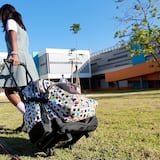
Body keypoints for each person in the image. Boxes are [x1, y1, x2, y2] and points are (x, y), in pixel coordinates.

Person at [0, 4, 39, 131]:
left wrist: (14, 54)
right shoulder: (22, 27)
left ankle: (28, 115)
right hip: (27, 59)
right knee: (25, 93)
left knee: (8, 90)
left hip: (17, 57)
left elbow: (13, 39)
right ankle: (27, 123)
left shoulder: (10, 22)